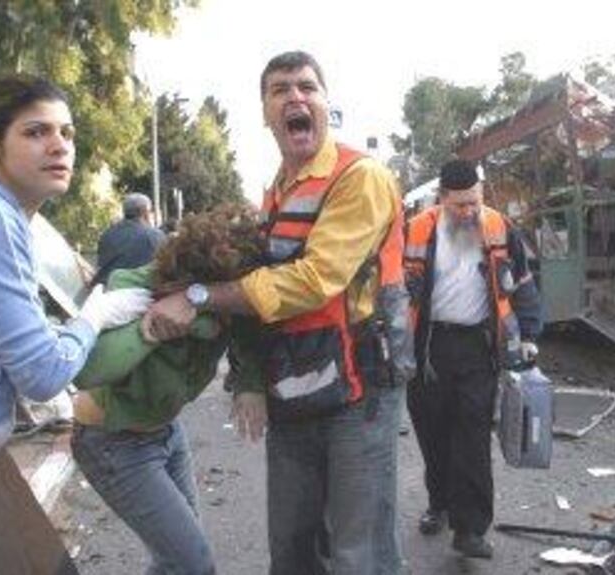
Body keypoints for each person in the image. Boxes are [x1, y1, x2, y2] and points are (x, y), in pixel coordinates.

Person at [143, 50, 414, 575]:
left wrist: (200, 295)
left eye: (308, 87)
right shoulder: (276, 192)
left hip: (360, 395)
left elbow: (314, 280)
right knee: (291, 547)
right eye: (281, 89)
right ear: (265, 112)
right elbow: (260, 303)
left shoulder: (360, 177)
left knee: (361, 553)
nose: (296, 97)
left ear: (326, 104)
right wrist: (247, 379)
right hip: (294, 389)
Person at [0, 74, 152, 575]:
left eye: (68, 132)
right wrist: (96, 315)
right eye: (36, 132)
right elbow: (41, 372)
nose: (59, 145)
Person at [70, 204, 266, 575]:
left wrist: (249, 383)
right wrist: (150, 329)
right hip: (111, 441)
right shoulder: (137, 284)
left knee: (178, 561)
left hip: (166, 432)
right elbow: (89, 370)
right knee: (192, 563)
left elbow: (250, 333)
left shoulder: (220, 297)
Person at [404, 158, 543, 559]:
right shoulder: (417, 229)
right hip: (427, 348)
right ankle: (440, 503)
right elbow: (393, 289)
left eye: (475, 203)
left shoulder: (499, 227)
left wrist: (529, 334)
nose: (469, 212)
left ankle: (470, 529)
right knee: (433, 433)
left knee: (472, 436)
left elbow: (523, 283)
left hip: (478, 347)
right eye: (460, 205)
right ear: (442, 198)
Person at [91, 192, 167, 286]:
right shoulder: (155, 236)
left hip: (107, 291)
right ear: (144, 212)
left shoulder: (107, 235)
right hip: (141, 293)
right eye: (150, 210)